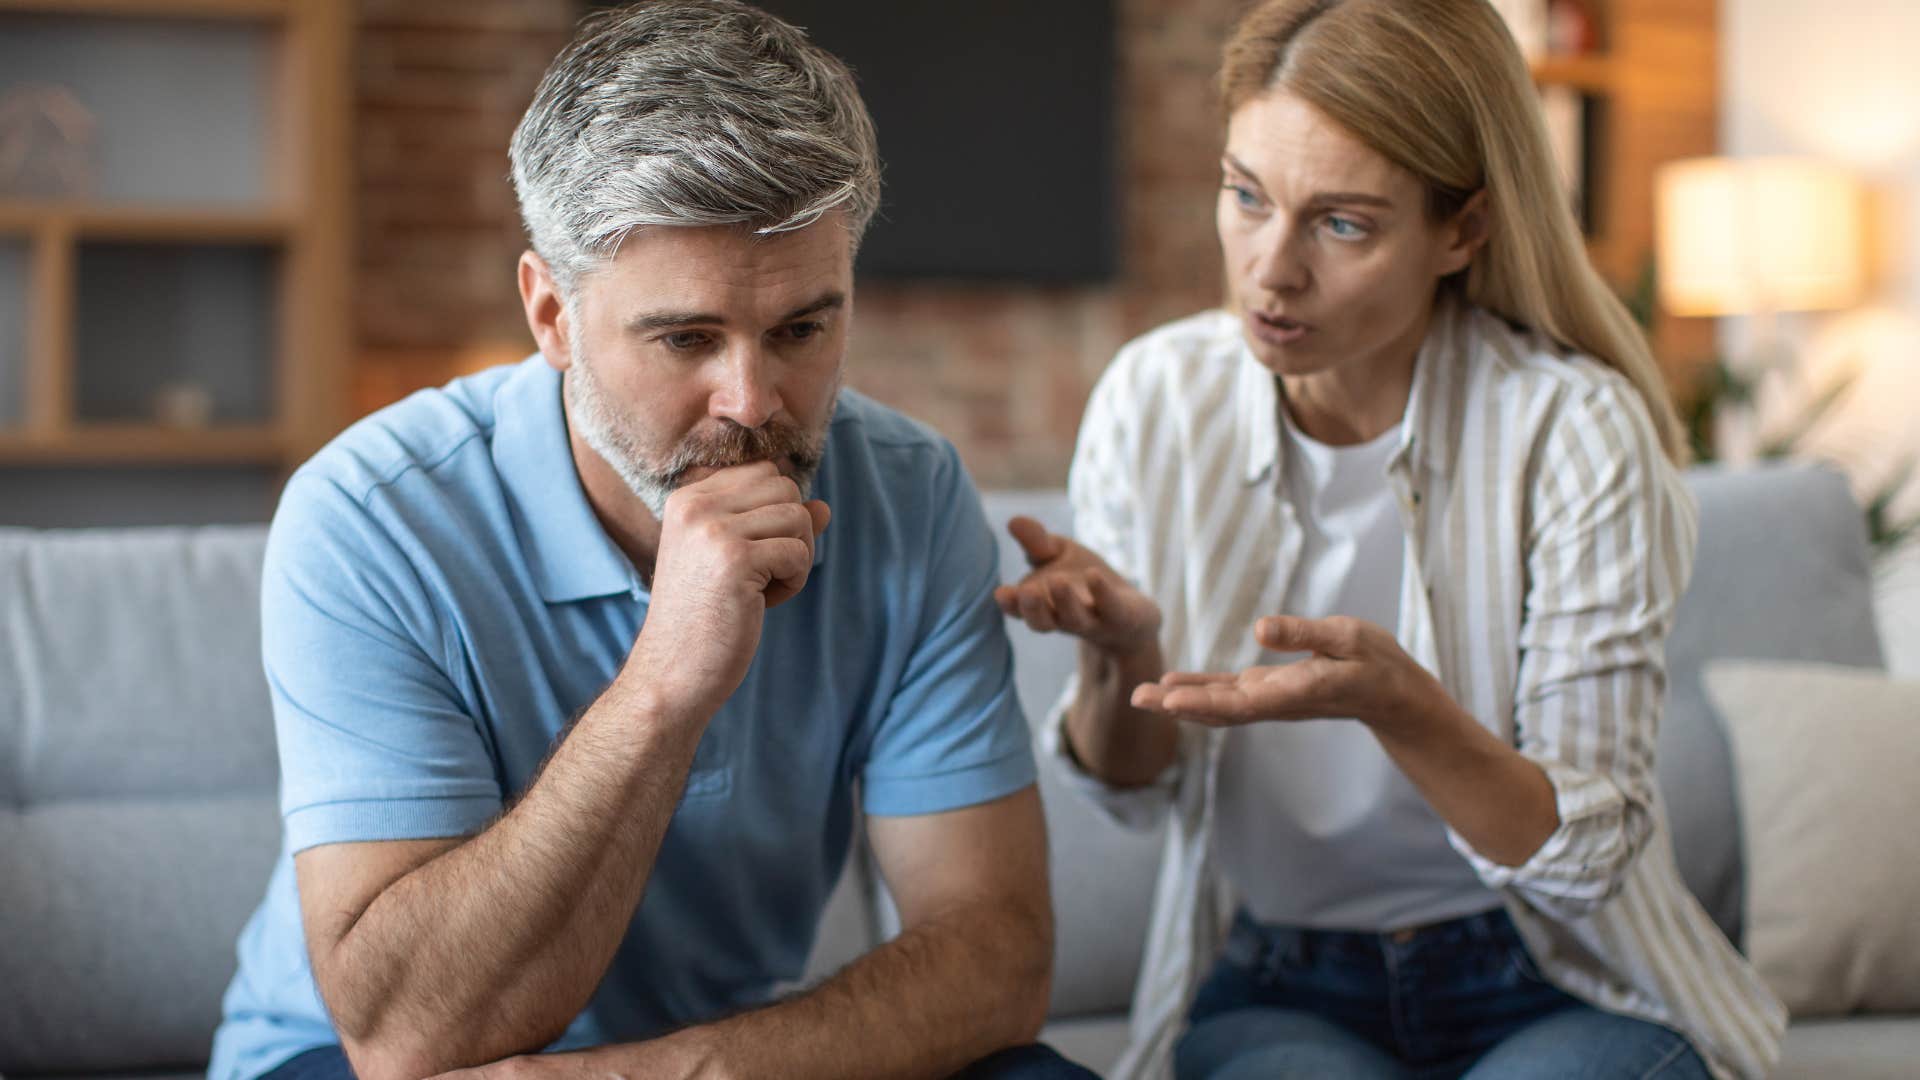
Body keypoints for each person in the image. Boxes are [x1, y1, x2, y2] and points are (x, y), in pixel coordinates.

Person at [207, 3, 1098, 1079]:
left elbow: (996, 959)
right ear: (550, 315)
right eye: (686, 337)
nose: (754, 401)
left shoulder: (910, 495)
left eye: (803, 330)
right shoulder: (369, 519)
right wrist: (665, 683)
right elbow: (406, 1038)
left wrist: (681, 1074)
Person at [995, 1, 1785, 1078]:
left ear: (1463, 229)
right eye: (1246, 196)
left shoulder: (1572, 429)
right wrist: (1125, 657)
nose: (1270, 270)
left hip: (1552, 977)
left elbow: (1585, 860)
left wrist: (1399, 705)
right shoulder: (1157, 398)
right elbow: (1134, 797)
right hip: (1281, 983)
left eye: (1343, 224)